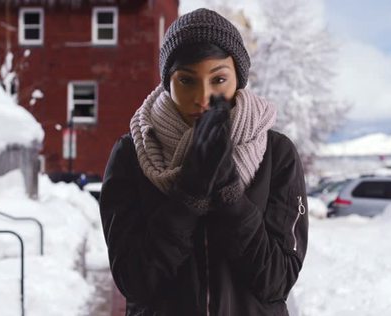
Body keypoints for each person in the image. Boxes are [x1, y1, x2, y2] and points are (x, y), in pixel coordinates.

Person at [100, 8, 308, 316]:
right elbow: (135, 281)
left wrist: (229, 195)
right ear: (167, 83)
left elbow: (276, 280)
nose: (203, 96)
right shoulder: (132, 155)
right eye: (186, 80)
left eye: (219, 79)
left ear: (238, 78)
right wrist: (188, 197)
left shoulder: (277, 154)